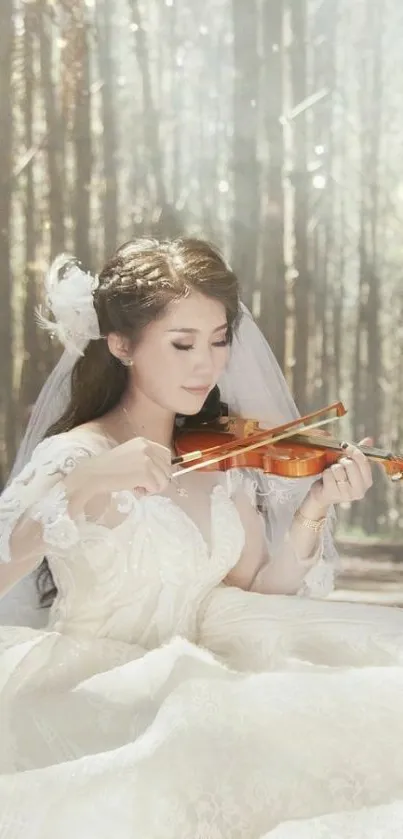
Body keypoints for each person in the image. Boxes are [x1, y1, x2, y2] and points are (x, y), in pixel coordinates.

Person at [0, 237, 402, 839]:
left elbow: (257, 590)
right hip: (94, 686)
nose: (206, 364)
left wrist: (315, 508)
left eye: (218, 341)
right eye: (182, 343)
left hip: (204, 672)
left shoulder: (220, 458)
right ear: (121, 345)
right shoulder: (75, 454)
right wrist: (86, 482)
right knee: (209, 736)